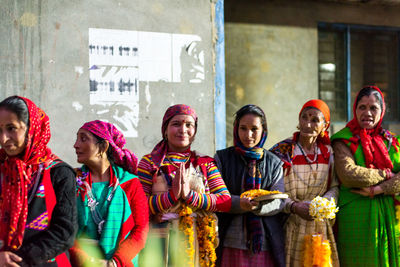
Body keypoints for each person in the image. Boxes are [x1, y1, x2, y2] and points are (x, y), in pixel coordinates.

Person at [137, 104, 231, 267]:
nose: (183, 129)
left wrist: (190, 196)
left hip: (197, 242)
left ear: (195, 132)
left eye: (189, 125)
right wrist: (171, 196)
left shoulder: (205, 163)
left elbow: (225, 201)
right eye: (176, 124)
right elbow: (139, 205)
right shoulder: (149, 163)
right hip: (160, 243)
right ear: (165, 130)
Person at [0, 96, 77, 266]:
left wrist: (18, 260)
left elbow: (65, 232)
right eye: (0, 130)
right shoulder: (2, 169)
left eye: (12, 128)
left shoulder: (58, 173)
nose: (4, 139)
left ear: (31, 128)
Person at [331, 86, 400, 266]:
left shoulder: (392, 141)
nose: (367, 113)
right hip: (355, 217)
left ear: (382, 111)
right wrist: (386, 174)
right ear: (355, 109)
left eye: (373, 108)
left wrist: (380, 189)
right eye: (362, 107)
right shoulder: (343, 139)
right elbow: (349, 174)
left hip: (388, 215)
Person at [270, 99, 339, 267]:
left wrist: (323, 205)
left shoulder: (328, 153)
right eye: (304, 118)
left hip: (320, 228)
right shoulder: (282, 151)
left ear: (325, 125)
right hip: (291, 226)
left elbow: (335, 187)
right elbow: (272, 191)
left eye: (315, 120)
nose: (308, 124)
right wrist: (294, 206)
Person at [70, 120, 148, 267]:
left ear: (103, 147)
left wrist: (115, 263)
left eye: (83, 138)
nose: (76, 145)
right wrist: (88, 261)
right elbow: (65, 228)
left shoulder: (130, 184)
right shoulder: (72, 181)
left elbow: (140, 230)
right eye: (77, 138)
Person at [215, 104, 285, 267]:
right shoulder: (222, 159)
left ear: (263, 130)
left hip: (264, 244)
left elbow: (279, 201)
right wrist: (239, 203)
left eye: (254, 129)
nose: (248, 135)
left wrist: (257, 207)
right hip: (229, 241)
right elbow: (215, 196)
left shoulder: (274, 163)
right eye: (243, 128)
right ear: (236, 129)